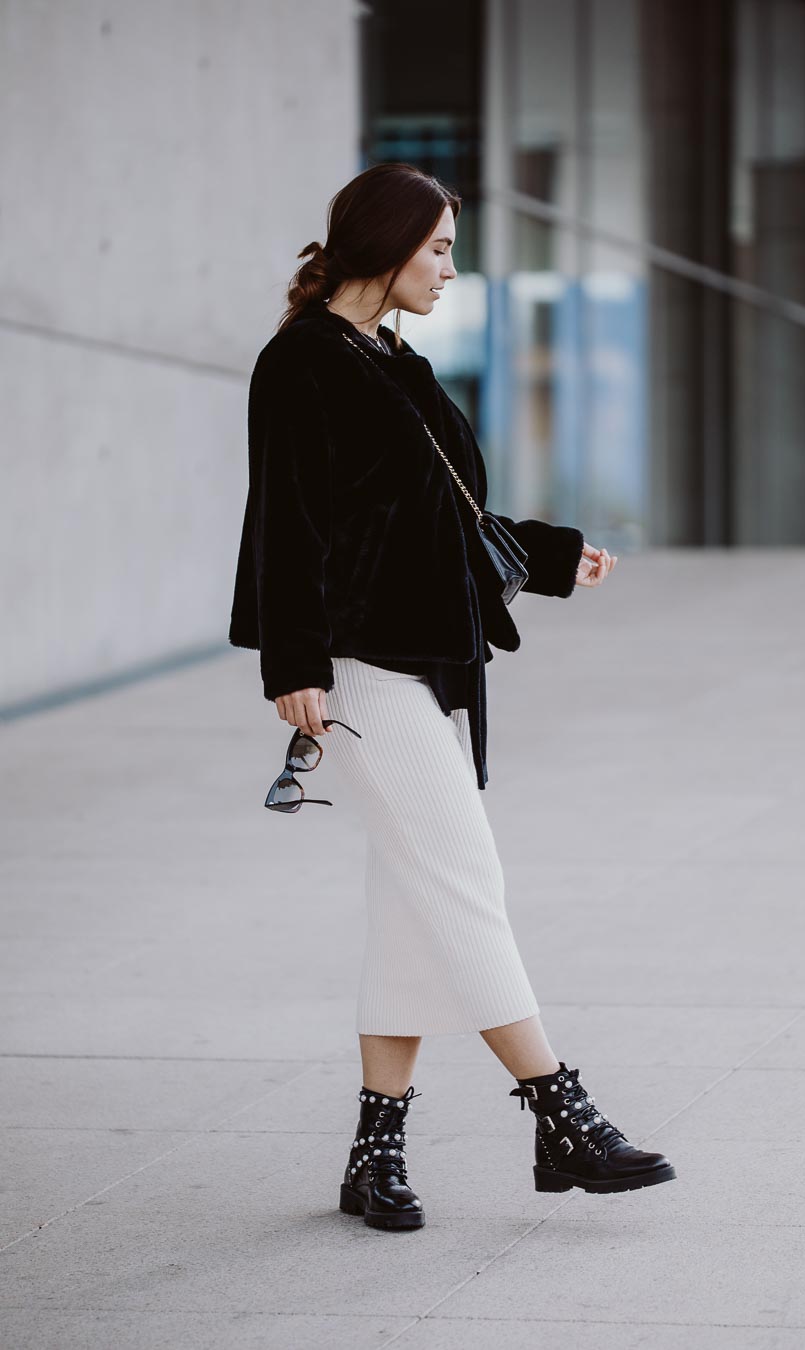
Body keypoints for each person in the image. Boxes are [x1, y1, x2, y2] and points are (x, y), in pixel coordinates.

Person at [228, 162, 675, 1231]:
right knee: (463, 876)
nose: (448, 268)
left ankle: (373, 1158)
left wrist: (556, 556)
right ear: (385, 245)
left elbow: (443, 511)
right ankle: (559, 1113)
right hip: (358, 665)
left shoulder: (391, 358)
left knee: (414, 901)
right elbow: (285, 518)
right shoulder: (300, 364)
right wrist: (292, 660)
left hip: (428, 657)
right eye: (437, 248)